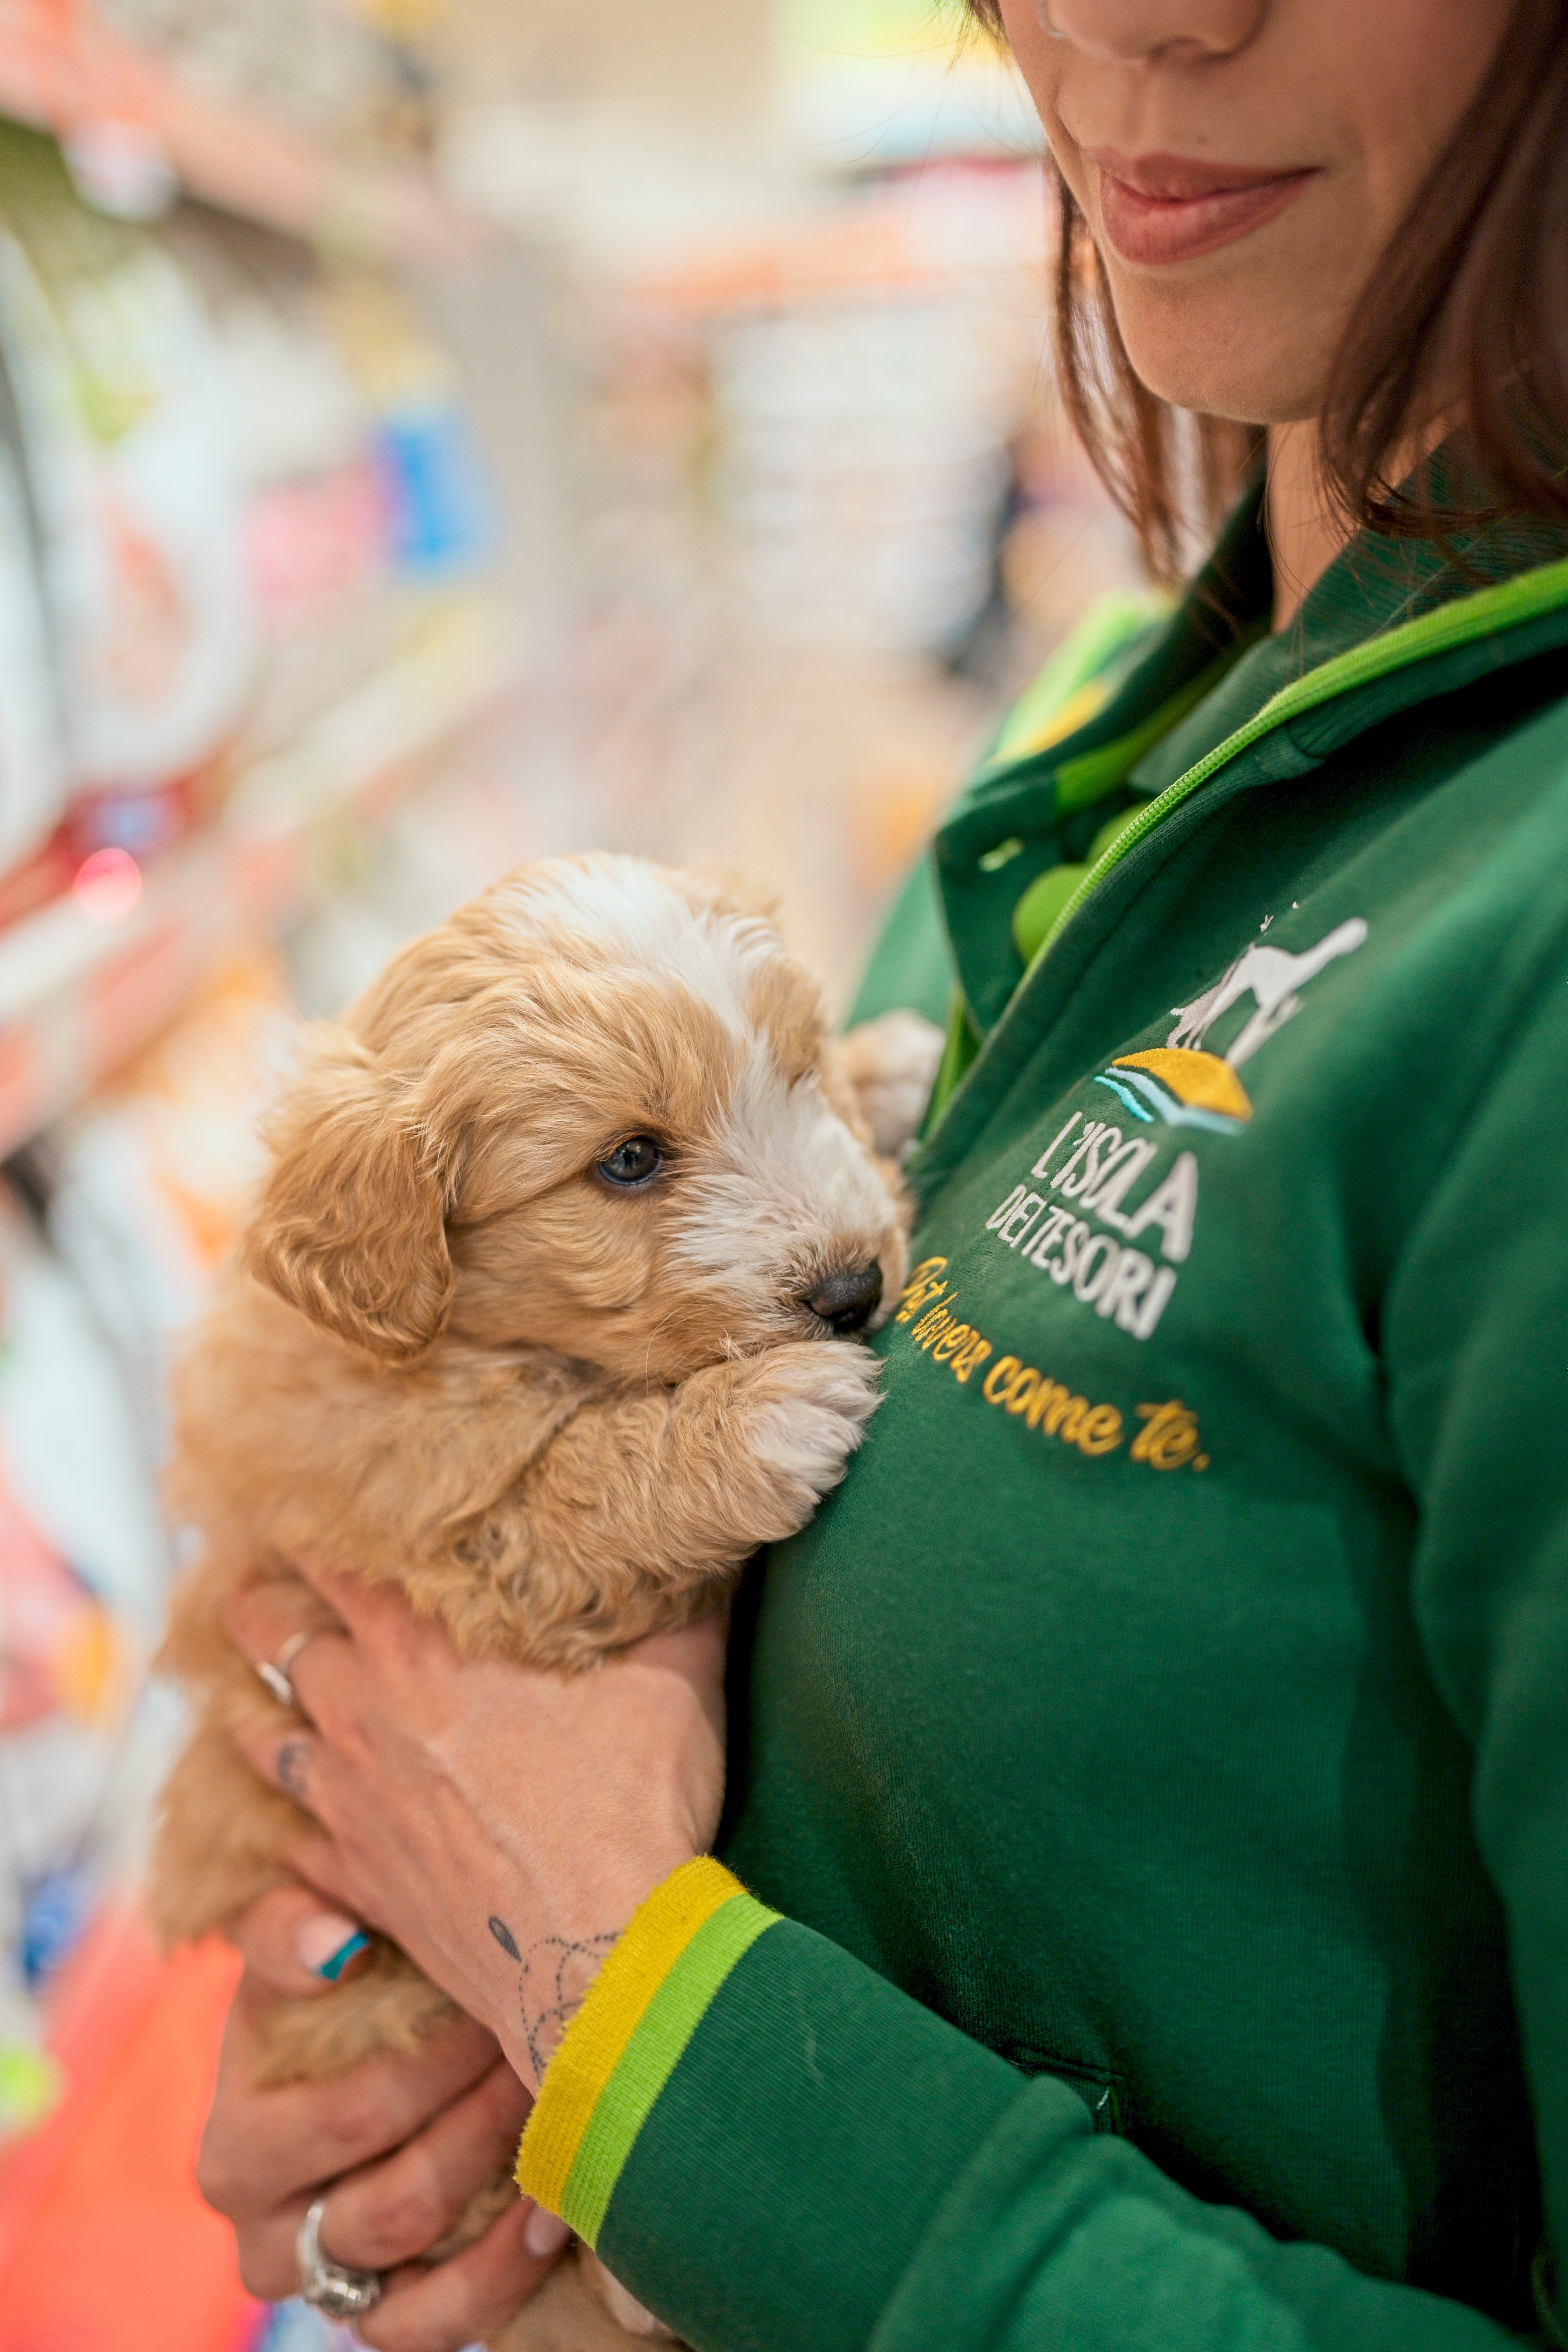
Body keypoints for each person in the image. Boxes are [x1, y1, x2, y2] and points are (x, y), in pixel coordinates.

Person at [198, 1, 1568, 2346]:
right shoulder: (1097, 718)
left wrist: (645, 2033)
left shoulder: (1515, 944)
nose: (1134, 11)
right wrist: (376, 2188)